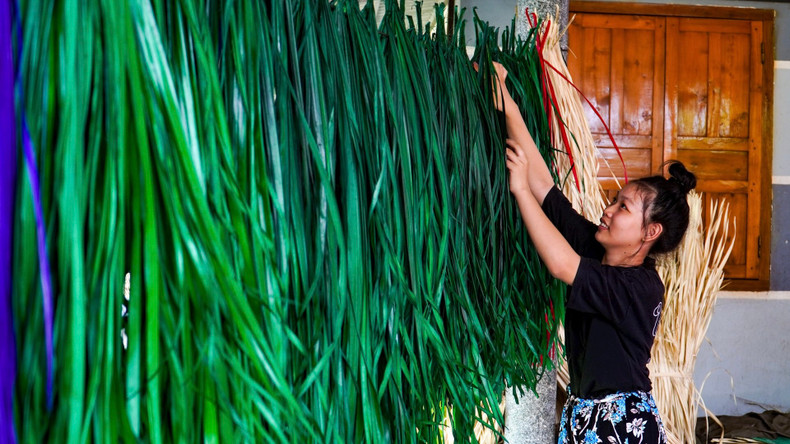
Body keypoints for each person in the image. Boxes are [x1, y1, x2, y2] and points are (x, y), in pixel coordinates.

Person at [491, 62, 696, 444]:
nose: (608, 210)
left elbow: (560, 264)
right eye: (614, 201)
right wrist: (509, 106)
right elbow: (545, 187)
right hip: (584, 418)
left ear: (650, 232)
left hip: (623, 427)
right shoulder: (599, 250)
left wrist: (517, 190)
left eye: (623, 208)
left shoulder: (639, 287)